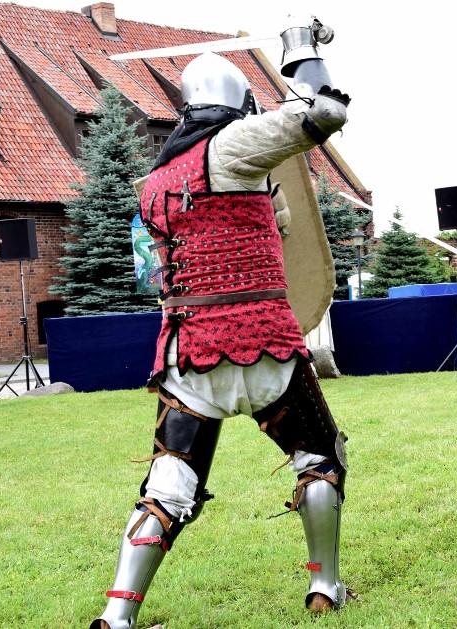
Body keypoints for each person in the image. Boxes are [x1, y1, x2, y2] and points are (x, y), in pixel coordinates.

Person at [91, 17, 351, 629]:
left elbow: (153, 273)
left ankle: (119, 614)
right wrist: (301, 49)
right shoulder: (233, 146)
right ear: (239, 104)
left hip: (187, 355)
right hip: (265, 345)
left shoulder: (153, 183)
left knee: (168, 487)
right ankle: (325, 588)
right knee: (319, 461)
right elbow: (326, 110)